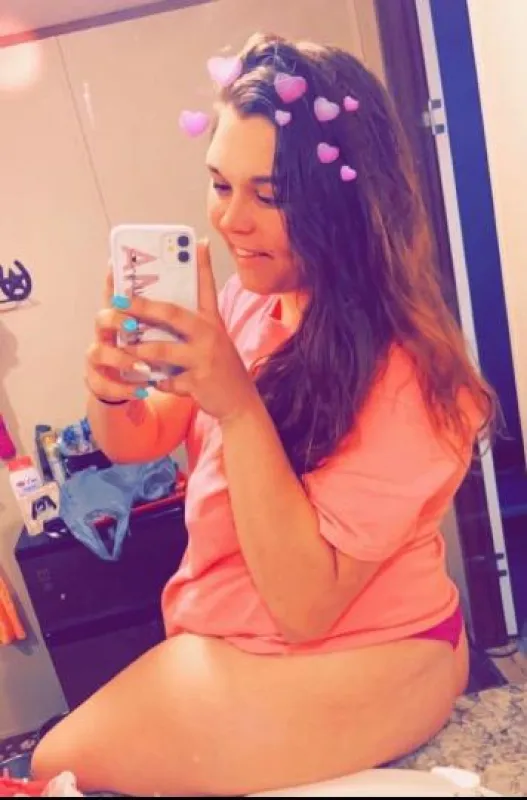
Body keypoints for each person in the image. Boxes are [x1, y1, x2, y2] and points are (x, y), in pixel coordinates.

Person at [32, 32, 495, 797]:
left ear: (344, 206)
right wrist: (111, 391)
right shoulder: (249, 301)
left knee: (59, 768)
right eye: (220, 185)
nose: (230, 221)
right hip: (238, 632)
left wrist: (237, 406)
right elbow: (138, 441)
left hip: (368, 653)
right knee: (61, 765)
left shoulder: (408, 375)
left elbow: (307, 606)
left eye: (269, 196)